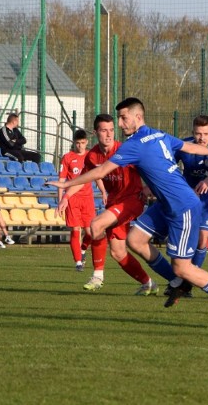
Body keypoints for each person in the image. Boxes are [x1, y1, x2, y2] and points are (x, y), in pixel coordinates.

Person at [49, 98, 208, 313]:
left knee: (182, 266)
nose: (120, 124)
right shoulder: (158, 134)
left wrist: (67, 183)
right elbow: (189, 146)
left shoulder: (134, 145)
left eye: (124, 119)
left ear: (138, 117)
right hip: (165, 204)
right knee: (135, 239)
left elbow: (102, 170)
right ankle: (179, 283)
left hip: (183, 206)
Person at [53, 114, 160, 296]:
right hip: (115, 202)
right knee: (118, 253)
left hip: (132, 200)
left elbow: (151, 167)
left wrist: (149, 187)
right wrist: (65, 197)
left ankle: (98, 276)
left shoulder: (126, 149)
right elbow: (82, 180)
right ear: (96, 133)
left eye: (111, 130)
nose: (109, 135)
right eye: (104, 130)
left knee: (96, 224)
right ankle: (149, 283)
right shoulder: (92, 156)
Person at [171, 115, 208, 296]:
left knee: (203, 239)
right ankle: (180, 278)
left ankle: (188, 281)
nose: (201, 138)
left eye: (205, 133)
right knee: (185, 239)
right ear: (193, 132)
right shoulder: (185, 145)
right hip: (187, 198)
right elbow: (168, 162)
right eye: (198, 133)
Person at [57, 129, 95, 272]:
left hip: (88, 199)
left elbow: (97, 175)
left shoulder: (91, 156)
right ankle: (78, 262)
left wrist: (103, 191)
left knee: (91, 232)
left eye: (83, 143)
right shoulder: (67, 157)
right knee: (75, 230)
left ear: (86, 142)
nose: (80, 146)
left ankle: (83, 249)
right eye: (77, 143)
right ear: (74, 143)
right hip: (72, 199)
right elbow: (61, 181)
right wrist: (60, 201)